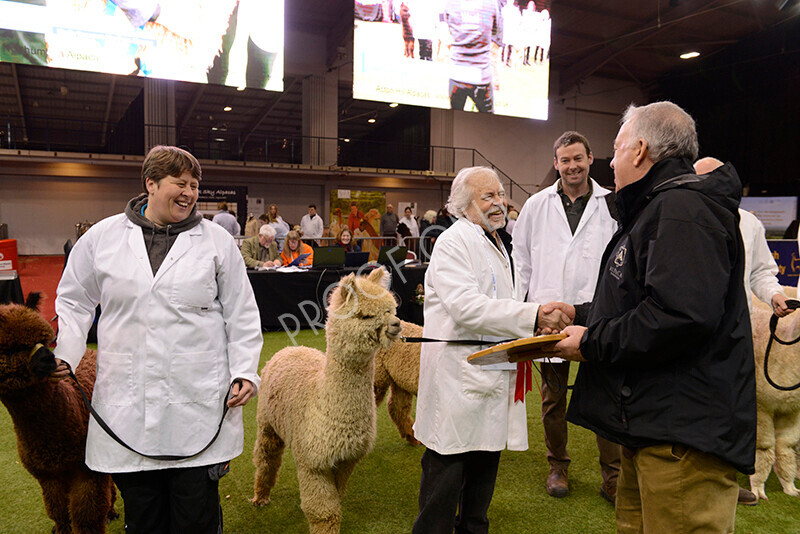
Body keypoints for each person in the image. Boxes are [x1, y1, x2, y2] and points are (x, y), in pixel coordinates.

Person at [553, 102, 756, 534]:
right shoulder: (660, 207)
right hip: (652, 429)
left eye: (616, 146)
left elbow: (680, 315)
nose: (611, 160)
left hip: (681, 440)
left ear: (640, 148)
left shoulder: (682, 208)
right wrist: (580, 315)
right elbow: (646, 302)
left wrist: (591, 341)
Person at [51, 145, 262, 533]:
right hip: (127, 406)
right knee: (144, 517)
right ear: (150, 183)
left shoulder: (216, 242)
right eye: (180, 183)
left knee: (195, 516)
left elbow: (242, 313)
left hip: (198, 404)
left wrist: (246, 371)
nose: (190, 193)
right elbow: (74, 299)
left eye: (195, 185)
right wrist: (66, 352)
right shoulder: (103, 237)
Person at [412, 166, 574, 534]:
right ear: (463, 205)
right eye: (488, 196)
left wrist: (532, 323)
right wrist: (533, 315)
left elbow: (499, 304)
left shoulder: (497, 242)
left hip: (489, 376)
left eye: (500, 194)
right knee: (445, 482)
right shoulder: (454, 242)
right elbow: (467, 307)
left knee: (482, 480)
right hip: (459, 379)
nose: (499, 202)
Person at [512, 131, 620, 502]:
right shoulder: (536, 205)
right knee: (553, 398)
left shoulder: (613, 204)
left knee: (606, 393)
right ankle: (558, 466)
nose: (572, 166)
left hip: (598, 316)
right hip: (550, 316)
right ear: (555, 163)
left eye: (578, 158)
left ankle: (613, 475)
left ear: (591, 159)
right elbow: (521, 261)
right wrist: (525, 311)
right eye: (564, 160)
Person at [694, 156, 795, 506]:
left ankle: (721, 478)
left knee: (731, 406)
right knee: (694, 404)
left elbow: (762, 272)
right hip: (691, 327)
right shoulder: (684, 218)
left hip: (735, 329)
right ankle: (693, 476)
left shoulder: (748, 223)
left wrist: (776, 295)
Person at [443, 0, 502, 113]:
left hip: (457, 73)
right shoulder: (491, 3)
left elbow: (449, 28)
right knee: (488, 123)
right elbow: (496, 31)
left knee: (455, 120)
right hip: (481, 76)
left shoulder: (451, 3)